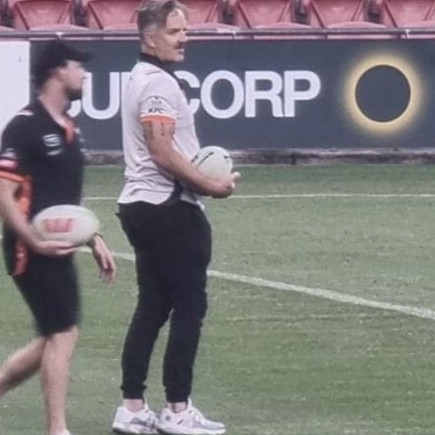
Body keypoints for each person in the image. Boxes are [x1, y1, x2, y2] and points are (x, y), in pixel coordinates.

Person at [111, 1, 240, 434]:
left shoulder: (140, 78)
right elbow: (162, 151)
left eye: (184, 30)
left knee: (151, 306)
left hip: (139, 204)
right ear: (150, 38)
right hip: (167, 207)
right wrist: (210, 186)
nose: (184, 38)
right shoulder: (159, 85)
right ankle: (178, 409)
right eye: (174, 31)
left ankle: (131, 407)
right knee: (190, 306)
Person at [0, 39, 116, 435]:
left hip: (58, 247)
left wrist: (93, 237)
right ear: (54, 71)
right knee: (63, 333)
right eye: (77, 65)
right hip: (28, 249)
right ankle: (57, 429)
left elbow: (67, 202)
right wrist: (32, 242)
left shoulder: (70, 129)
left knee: (53, 336)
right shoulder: (24, 126)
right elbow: (4, 195)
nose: (84, 73)